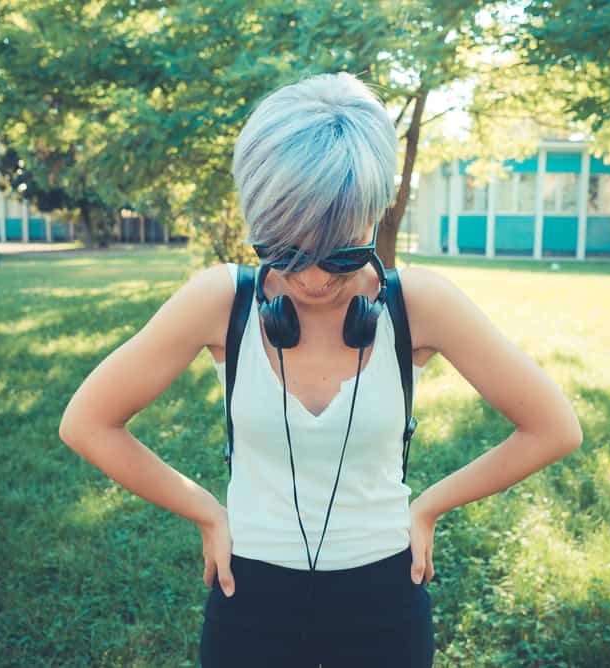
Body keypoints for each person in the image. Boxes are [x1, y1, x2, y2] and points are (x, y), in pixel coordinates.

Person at [58, 72, 583, 668]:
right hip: (248, 591)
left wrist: (429, 505)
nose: (310, 279)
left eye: (341, 252)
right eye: (282, 252)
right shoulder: (219, 302)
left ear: (374, 215)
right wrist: (206, 510)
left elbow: (553, 427)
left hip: (385, 592)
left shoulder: (419, 304)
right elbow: (88, 422)